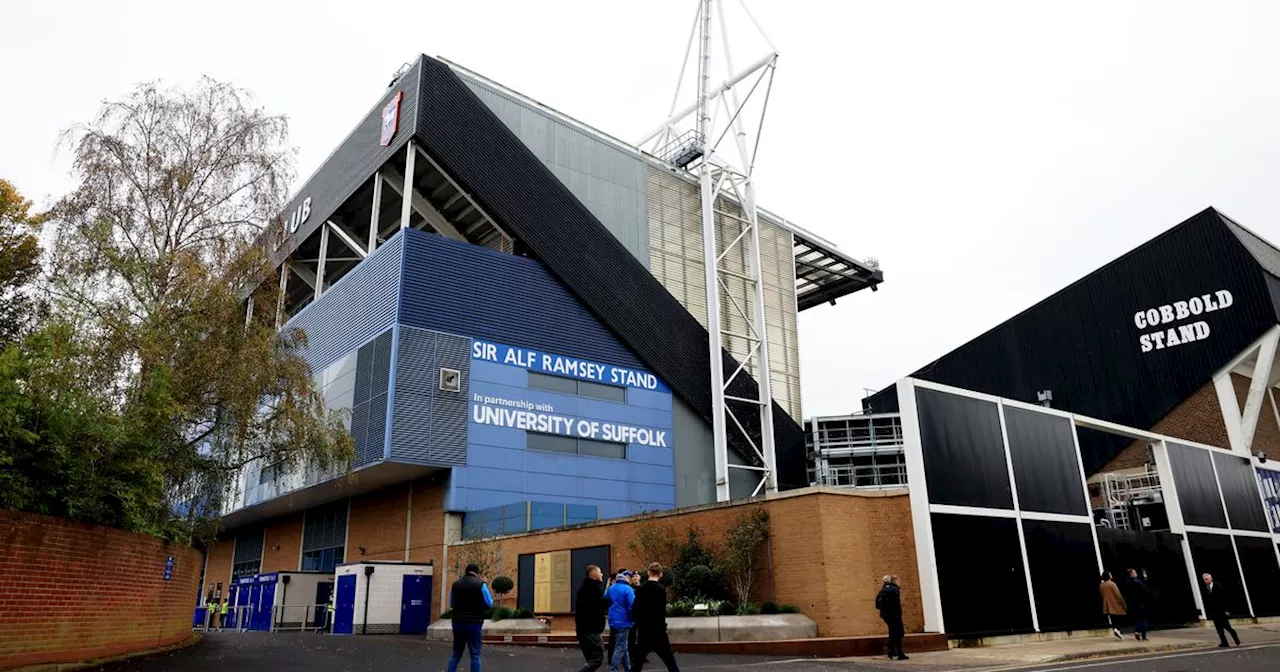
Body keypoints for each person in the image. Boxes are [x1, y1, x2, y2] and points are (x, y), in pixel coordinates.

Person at [632, 562, 681, 672]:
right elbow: (661, 611)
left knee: (638, 662)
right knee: (669, 660)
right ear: (660, 574)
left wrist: (639, 623)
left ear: (648, 572)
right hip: (658, 630)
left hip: (644, 630)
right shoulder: (661, 589)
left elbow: (635, 609)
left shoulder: (641, 589)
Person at [447, 563, 493, 672]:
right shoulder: (481, 584)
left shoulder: (456, 584)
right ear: (477, 573)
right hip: (474, 623)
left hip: (458, 622)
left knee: (456, 653)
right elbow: (489, 603)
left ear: (466, 571)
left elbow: (452, 603)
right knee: (475, 654)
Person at [575, 565, 608, 672]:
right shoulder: (592, 590)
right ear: (594, 576)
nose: (602, 574)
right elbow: (596, 608)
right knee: (597, 658)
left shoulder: (584, 590)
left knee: (590, 659)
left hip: (584, 630)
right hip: (591, 630)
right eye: (600, 572)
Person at [605, 570, 636, 672]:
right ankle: (613, 670)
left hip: (613, 620)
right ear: (626, 578)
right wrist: (633, 619)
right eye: (630, 577)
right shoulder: (628, 589)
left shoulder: (611, 588)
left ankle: (628, 668)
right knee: (620, 647)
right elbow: (632, 606)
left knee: (623, 645)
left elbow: (605, 599)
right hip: (624, 621)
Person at [1201, 573, 1240, 648]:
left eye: (1206, 579)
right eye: (1204, 580)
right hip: (1214, 612)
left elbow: (1224, 599)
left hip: (1221, 611)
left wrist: (1227, 610)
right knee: (1219, 629)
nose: (1205, 581)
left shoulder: (1218, 586)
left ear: (1211, 579)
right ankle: (1224, 642)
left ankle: (1236, 639)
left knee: (1227, 627)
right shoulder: (1205, 588)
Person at [875, 575, 908, 661]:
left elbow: (877, 603)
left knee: (892, 632)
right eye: (898, 580)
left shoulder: (883, 590)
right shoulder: (895, 590)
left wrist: (884, 610)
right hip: (895, 615)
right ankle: (898, 653)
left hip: (886, 615)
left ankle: (892, 651)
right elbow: (896, 604)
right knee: (899, 633)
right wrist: (897, 614)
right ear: (895, 581)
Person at [1122, 569, 1150, 641]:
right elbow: (1145, 591)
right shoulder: (1138, 582)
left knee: (1137, 619)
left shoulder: (1126, 583)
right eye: (1134, 572)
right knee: (1143, 619)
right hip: (1140, 602)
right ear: (1131, 574)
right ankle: (1144, 636)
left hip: (1132, 604)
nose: (1136, 573)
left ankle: (1137, 631)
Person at [1100, 571, 1127, 640]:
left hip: (1107, 605)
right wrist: (1123, 604)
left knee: (1113, 618)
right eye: (1110, 574)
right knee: (1119, 617)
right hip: (1115, 604)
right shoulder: (1112, 584)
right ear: (1109, 576)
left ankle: (1115, 629)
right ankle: (1117, 629)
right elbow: (1118, 595)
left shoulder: (1101, 585)